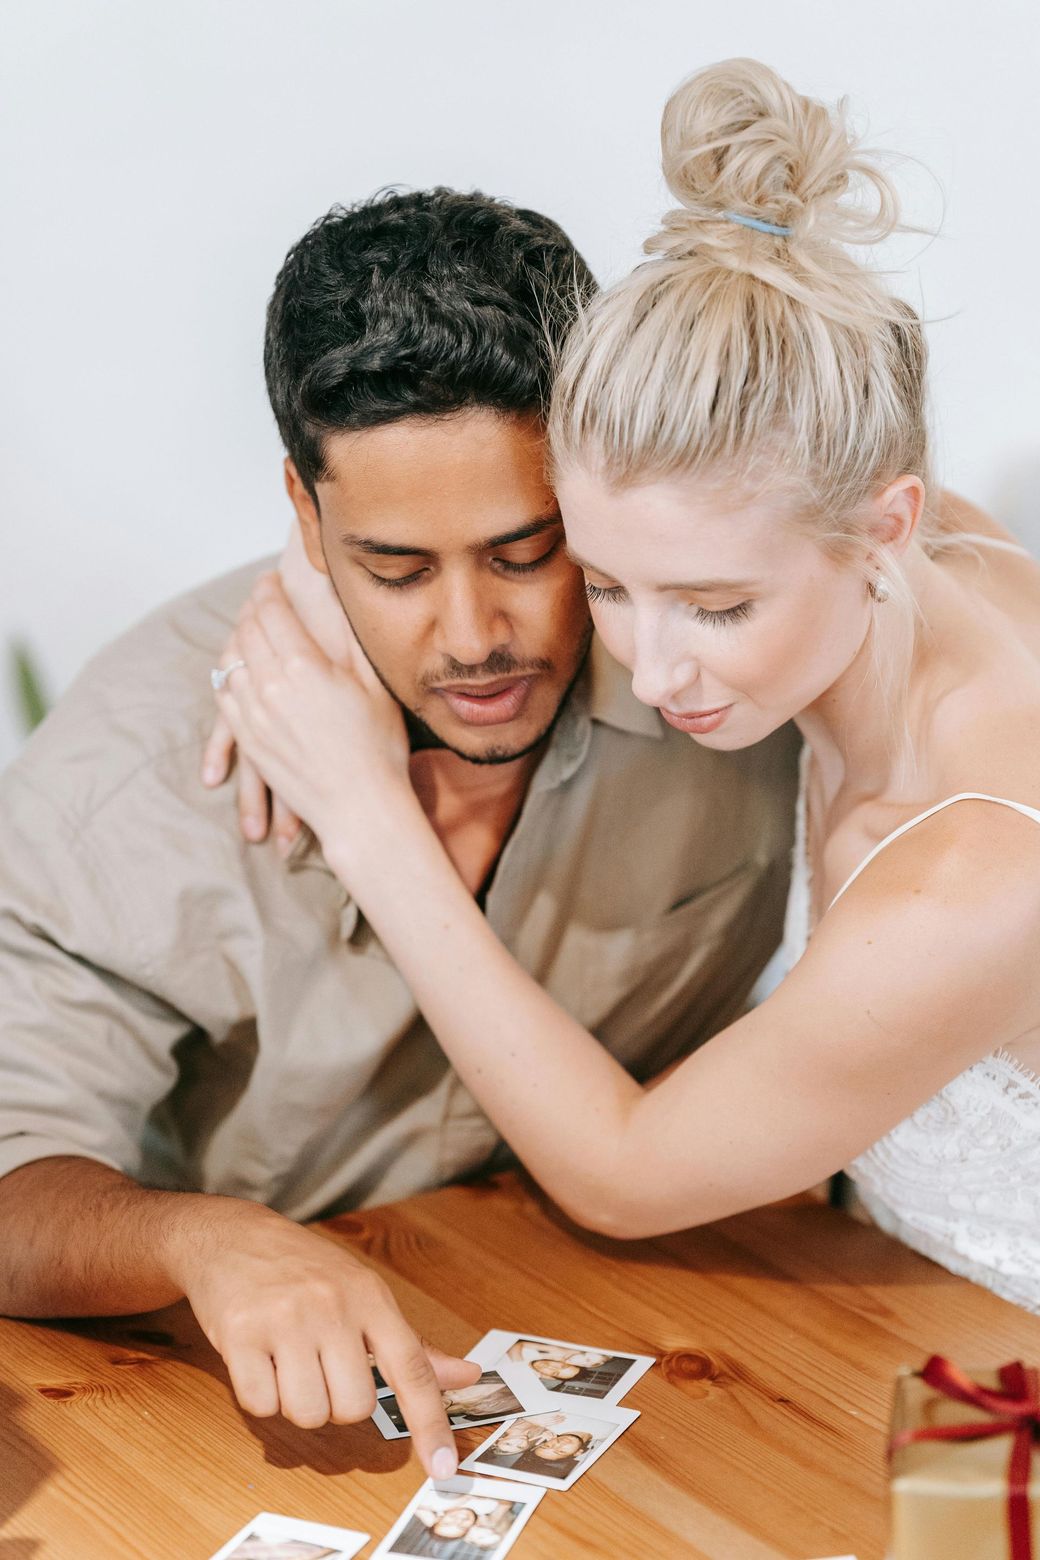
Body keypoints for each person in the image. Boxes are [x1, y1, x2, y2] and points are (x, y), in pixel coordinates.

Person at [211, 61, 1040, 1312]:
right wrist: (322, 560)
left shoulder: (976, 879)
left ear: (882, 528)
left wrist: (365, 810)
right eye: (598, 580)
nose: (650, 673)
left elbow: (623, 1175)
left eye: (714, 607)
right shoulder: (906, 528)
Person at [0, 185, 800, 1473]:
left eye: (525, 550)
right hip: (194, 1404)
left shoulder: (737, 682)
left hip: (646, 1337)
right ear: (302, 520)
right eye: (394, 569)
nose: (475, 636)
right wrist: (197, 1238)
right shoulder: (134, 774)